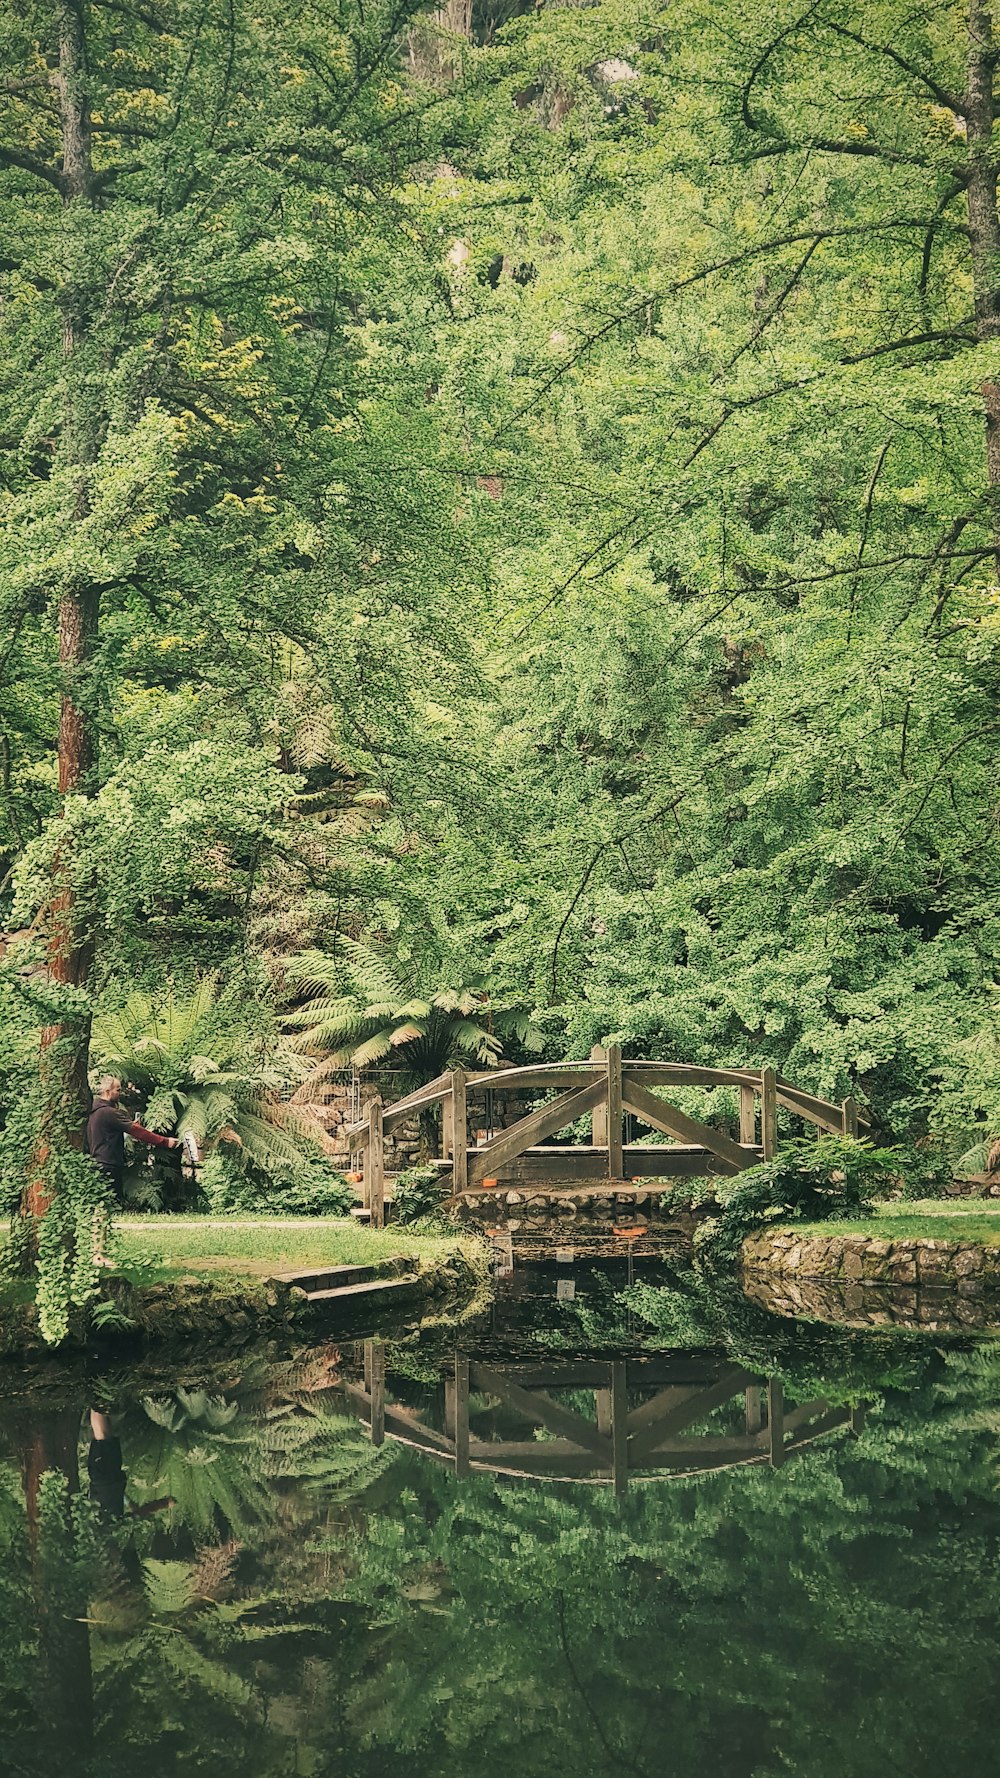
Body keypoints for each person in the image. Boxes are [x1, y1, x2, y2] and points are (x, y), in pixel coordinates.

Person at [85, 1075, 180, 1205]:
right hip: (109, 1163)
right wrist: (165, 1141)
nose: (120, 1093)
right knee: (112, 1204)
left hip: (98, 1161)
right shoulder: (109, 1112)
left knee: (102, 1204)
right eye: (117, 1090)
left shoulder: (94, 1110)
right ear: (108, 1091)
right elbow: (138, 1131)